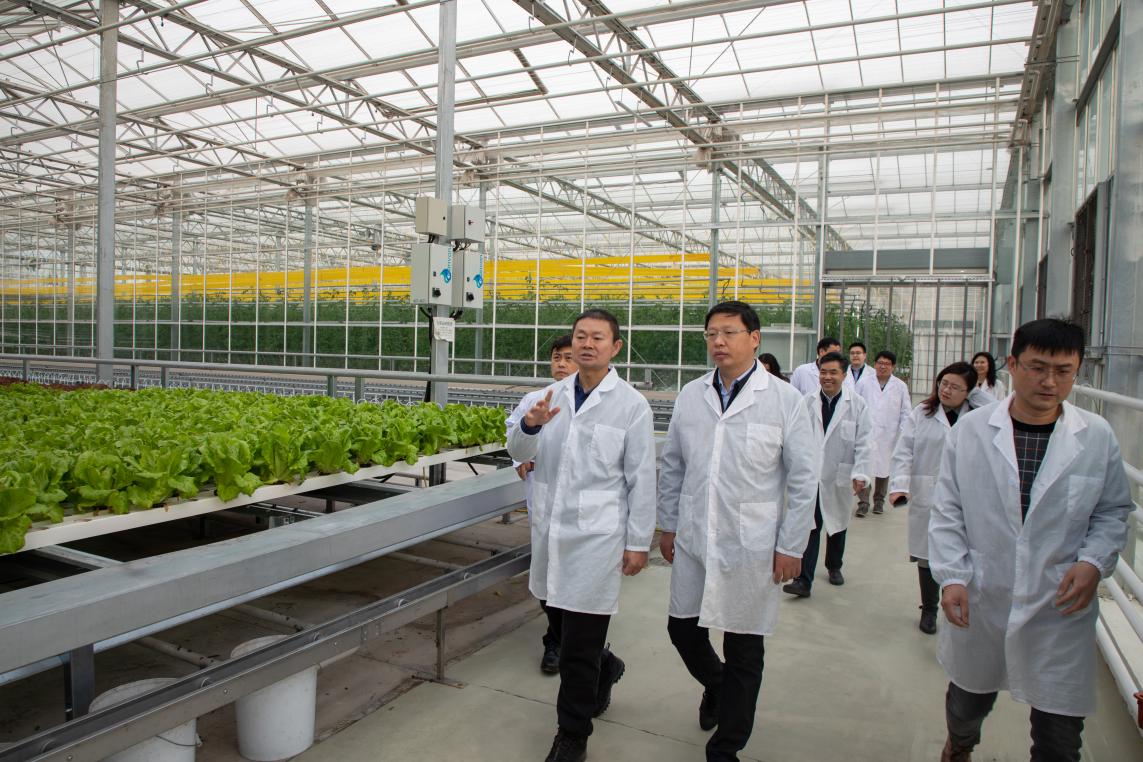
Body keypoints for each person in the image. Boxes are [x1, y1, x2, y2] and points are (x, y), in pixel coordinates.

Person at [929, 318, 1132, 762]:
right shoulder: (972, 431)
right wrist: (953, 577)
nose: (1050, 382)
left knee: (1059, 736)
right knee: (968, 702)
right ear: (1013, 364)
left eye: (1063, 371)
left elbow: (1112, 510)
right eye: (1038, 368)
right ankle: (959, 745)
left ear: (1077, 371)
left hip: (1058, 602)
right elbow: (947, 510)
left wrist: (1093, 562)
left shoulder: (1095, 436)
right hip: (985, 592)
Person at [658, 300, 818, 762]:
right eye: (711, 334)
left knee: (744, 645)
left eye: (729, 332)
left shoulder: (785, 400)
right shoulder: (692, 395)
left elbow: (804, 478)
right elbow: (673, 464)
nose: (719, 342)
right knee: (682, 628)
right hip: (694, 533)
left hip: (753, 542)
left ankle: (726, 747)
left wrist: (793, 546)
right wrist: (668, 524)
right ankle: (719, 685)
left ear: (754, 338)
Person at [507, 309, 656, 762]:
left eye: (597, 337)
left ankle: (572, 735)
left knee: (577, 647)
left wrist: (638, 542)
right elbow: (516, 450)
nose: (587, 344)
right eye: (580, 336)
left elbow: (642, 479)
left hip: (598, 539)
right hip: (551, 530)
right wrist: (530, 426)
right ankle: (605, 665)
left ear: (615, 347)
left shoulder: (631, 405)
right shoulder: (547, 397)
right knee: (558, 617)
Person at [888, 362, 995, 635]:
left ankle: (959, 602)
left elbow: (997, 408)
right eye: (943, 383)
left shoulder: (979, 416)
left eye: (955, 387)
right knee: (927, 555)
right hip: (929, 493)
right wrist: (899, 486)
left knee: (961, 551)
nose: (946, 390)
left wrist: (974, 392)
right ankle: (929, 609)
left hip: (967, 496)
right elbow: (904, 451)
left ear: (969, 392)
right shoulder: (923, 413)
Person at [505, 334, 577, 674]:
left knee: (573, 574)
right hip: (544, 498)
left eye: (568, 357)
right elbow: (513, 433)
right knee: (546, 572)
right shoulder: (535, 399)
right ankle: (560, 639)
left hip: (582, 505)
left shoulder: (596, 402)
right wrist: (519, 458)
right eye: (556, 357)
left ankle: (560, 641)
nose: (561, 364)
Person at [782, 351, 874, 598]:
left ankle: (834, 566)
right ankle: (803, 581)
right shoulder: (807, 402)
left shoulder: (857, 405)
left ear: (844, 375)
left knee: (837, 525)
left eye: (833, 372)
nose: (827, 377)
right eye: (823, 372)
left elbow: (865, 442)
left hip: (838, 475)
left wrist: (861, 473)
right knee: (809, 527)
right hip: (810, 476)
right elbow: (795, 439)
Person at [858, 350, 912, 517]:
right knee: (865, 466)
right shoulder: (864, 383)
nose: (883, 366)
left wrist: (903, 433)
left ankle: (879, 500)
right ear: (875, 364)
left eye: (887, 364)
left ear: (893, 366)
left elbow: (906, 411)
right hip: (867, 432)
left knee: (884, 468)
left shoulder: (900, 386)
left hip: (889, 434)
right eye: (880, 363)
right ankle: (863, 502)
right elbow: (856, 405)